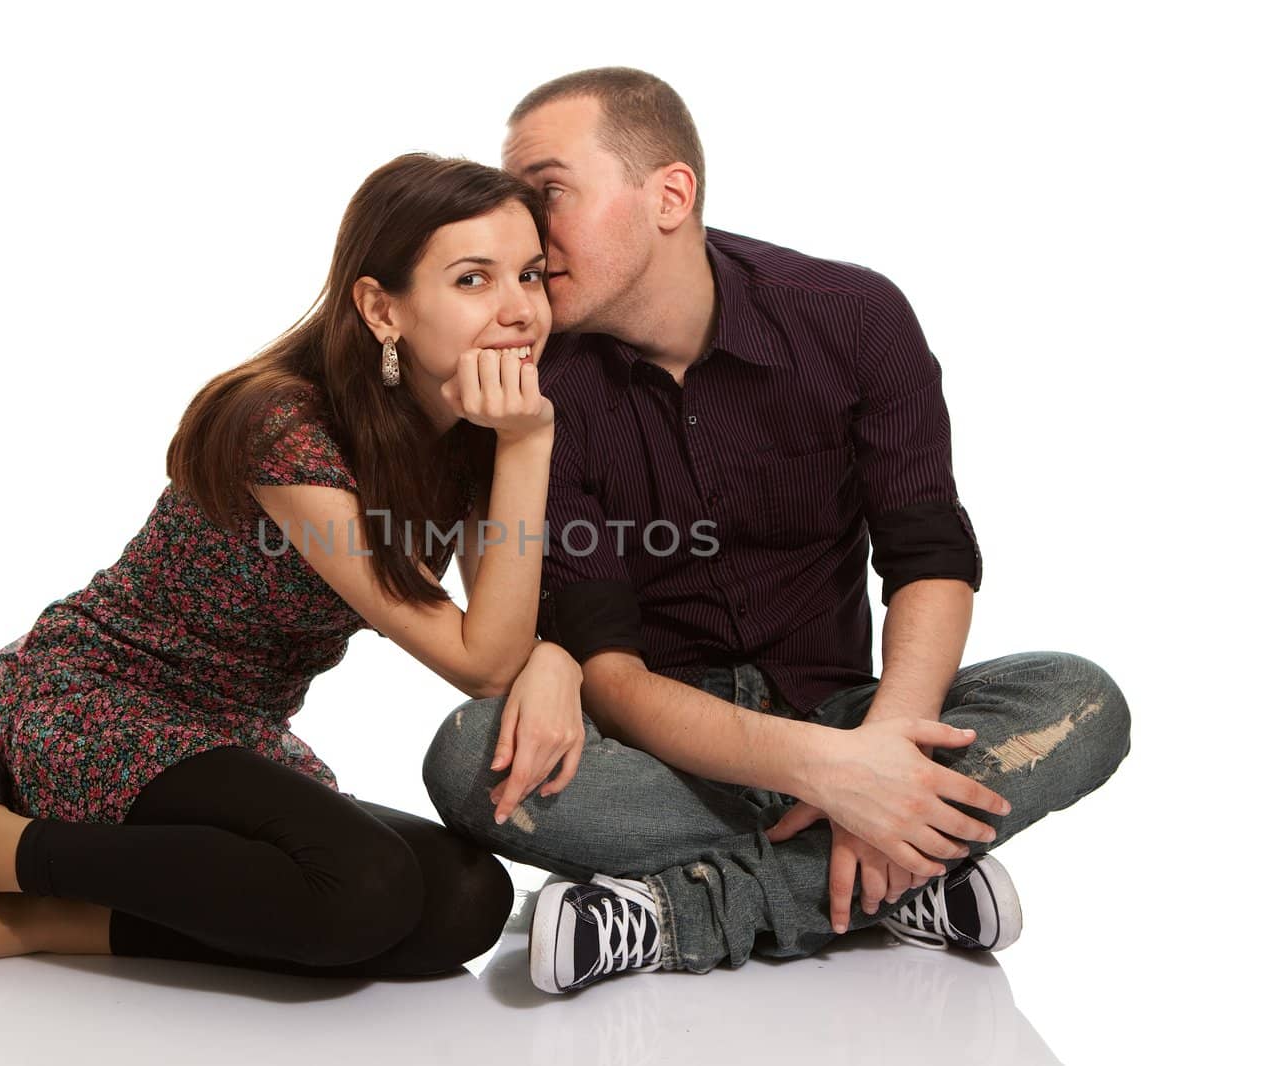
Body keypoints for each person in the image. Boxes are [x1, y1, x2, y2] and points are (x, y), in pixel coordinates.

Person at [421, 68, 1133, 994]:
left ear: (669, 194)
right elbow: (613, 672)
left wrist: (886, 754)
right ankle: (898, 879)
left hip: (853, 713)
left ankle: (676, 913)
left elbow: (928, 559)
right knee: (470, 756)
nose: (525, 229)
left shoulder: (853, 315)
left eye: (548, 192)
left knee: (1082, 699)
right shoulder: (537, 388)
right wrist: (830, 777)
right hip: (670, 756)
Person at [0, 152, 590, 984]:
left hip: (237, 736)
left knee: (464, 900)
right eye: (474, 280)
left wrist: (554, 639)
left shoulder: (476, 437)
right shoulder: (280, 421)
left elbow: (495, 651)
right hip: (100, 699)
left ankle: (30, 917)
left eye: (531, 276)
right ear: (379, 306)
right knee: (362, 887)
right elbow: (481, 658)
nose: (519, 311)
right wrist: (529, 441)